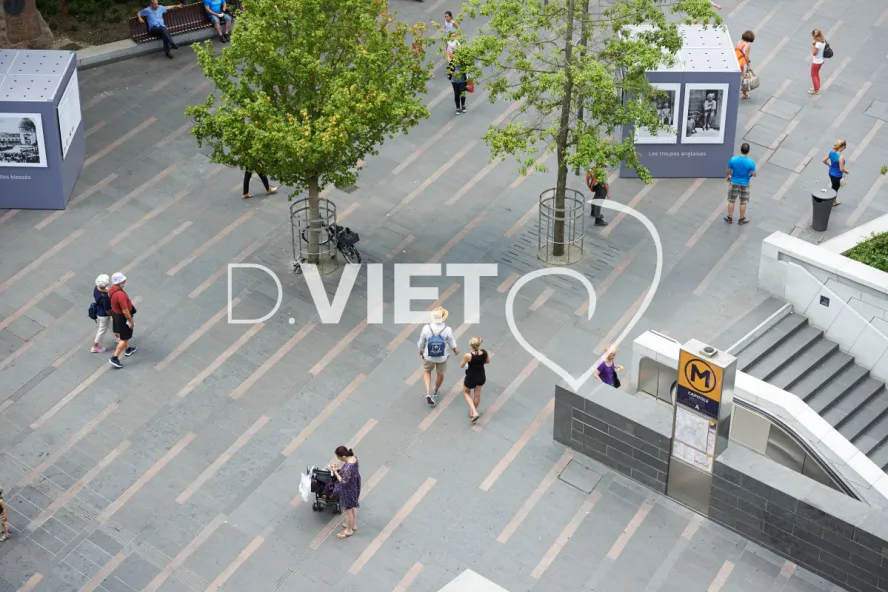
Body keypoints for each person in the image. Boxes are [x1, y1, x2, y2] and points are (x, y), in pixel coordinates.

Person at [417, 306, 459, 406]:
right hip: (442, 357)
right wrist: (455, 349)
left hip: (429, 355)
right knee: (440, 374)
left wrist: (421, 350)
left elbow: (421, 342)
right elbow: (451, 341)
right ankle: (435, 390)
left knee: (427, 371)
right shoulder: (447, 329)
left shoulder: (426, 328)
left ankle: (428, 392)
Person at [330, 446, 360, 539]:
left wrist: (335, 472)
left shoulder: (348, 467)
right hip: (355, 485)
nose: (338, 459)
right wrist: (339, 468)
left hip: (348, 490)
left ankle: (349, 530)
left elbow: (343, 482)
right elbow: (349, 472)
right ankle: (353, 525)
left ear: (343, 456)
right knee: (353, 506)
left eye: (339, 457)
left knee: (348, 511)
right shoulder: (353, 458)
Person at [108, 272, 137, 369]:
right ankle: (115, 357)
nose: (125, 282)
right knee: (124, 338)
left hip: (115, 314)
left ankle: (128, 349)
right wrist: (131, 321)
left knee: (123, 335)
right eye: (123, 281)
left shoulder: (112, 289)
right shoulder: (121, 295)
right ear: (120, 282)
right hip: (122, 317)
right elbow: (125, 311)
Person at [724, 143, 756, 225]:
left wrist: (728, 176)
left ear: (740, 149)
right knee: (743, 202)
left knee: (731, 201)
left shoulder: (733, 160)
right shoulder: (751, 162)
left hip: (734, 182)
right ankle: (741, 219)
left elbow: (728, 170)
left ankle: (729, 218)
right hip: (745, 184)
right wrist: (750, 174)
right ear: (748, 151)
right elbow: (754, 174)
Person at [460, 336, 490, 423]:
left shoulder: (468, 355)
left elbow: (461, 365)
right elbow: (488, 361)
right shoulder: (484, 352)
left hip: (471, 377)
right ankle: (472, 412)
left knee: (466, 392)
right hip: (481, 376)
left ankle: (474, 412)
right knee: (477, 395)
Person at [91, 274, 113, 353]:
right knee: (102, 330)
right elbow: (107, 309)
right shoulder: (104, 297)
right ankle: (95, 347)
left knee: (110, 324)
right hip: (103, 314)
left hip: (98, 310)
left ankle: (118, 336)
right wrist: (113, 314)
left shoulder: (96, 288)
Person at [823, 140, 849, 206]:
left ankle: (834, 200)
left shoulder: (831, 152)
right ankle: (833, 201)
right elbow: (841, 169)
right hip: (837, 176)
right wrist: (846, 171)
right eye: (845, 147)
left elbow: (824, 160)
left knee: (834, 186)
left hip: (831, 173)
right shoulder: (841, 157)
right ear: (842, 147)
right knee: (835, 189)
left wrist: (829, 165)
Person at [735, 30, 755, 99]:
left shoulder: (738, 42)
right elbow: (746, 56)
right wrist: (748, 65)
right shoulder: (747, 45)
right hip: (741, 62)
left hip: (736, 60)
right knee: (744, 78)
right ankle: (744, 94)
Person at [810, 29, 826, 95]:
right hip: (821, 60)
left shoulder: (817, 44)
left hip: (816, 61)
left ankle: (816, 90)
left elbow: (814, 53)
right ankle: (817, 87)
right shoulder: (823, 41)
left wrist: (814, 45)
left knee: (813, 75)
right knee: (816, 74)